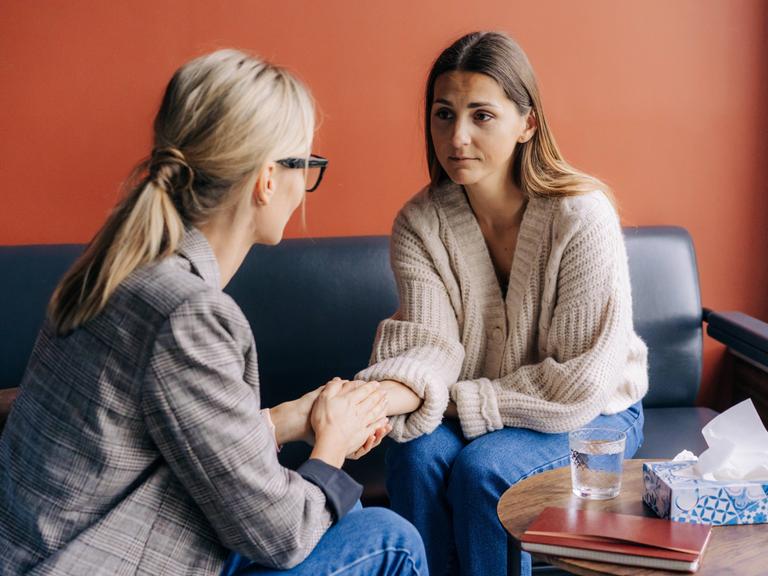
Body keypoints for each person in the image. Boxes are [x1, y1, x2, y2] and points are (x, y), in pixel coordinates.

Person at [0, 49, 427, 576]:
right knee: (391, 539)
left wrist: (285, 420)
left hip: (37, 550)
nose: (305, 184)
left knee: (347, 512)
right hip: (92, 558)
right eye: (308, 165)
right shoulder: (188, 314)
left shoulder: (113, 267)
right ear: (268, 179)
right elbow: (282, 534)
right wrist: (333, 442)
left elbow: (148, 438)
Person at [356, 32, 648, 576]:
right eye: (443, 114)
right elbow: (429, 346)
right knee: (416, 456)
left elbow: (579, 384)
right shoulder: (420, 223)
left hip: (593, 414)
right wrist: (382, 398)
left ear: (527, 123)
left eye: (481, 115)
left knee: (484, 469)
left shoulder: (581, 216)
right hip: (479, 406)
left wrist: (450, 401)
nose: (457, 136)